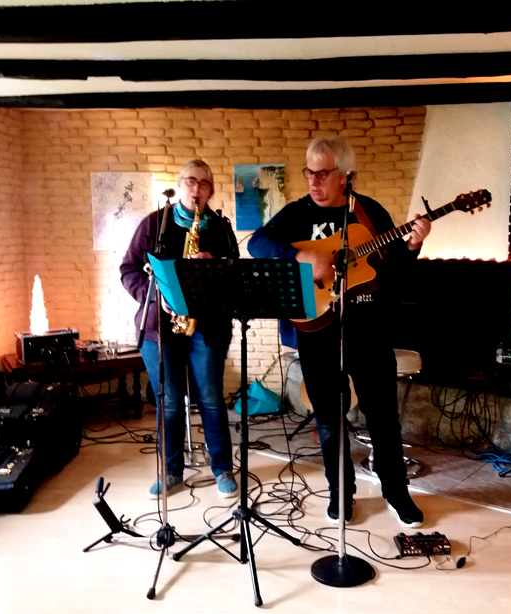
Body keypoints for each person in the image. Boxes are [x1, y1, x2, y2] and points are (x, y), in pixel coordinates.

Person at [247, 136, 431, 527]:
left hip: (368, 329)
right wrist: (300, 255)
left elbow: (393, 270)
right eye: (309, 173)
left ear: (346, 176)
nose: (313, 182)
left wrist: (412, 245)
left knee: (383, 418)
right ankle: (340, 492)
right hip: (317, 333)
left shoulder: (369, 212)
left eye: (323, 173)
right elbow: (257, 243)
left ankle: (396, 492)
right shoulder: (296, 213)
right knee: (329, 421)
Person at [120, 159, 239, 499]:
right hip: (160, 327)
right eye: (190, 181)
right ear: (180, 184)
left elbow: (235, 276)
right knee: (169, 402)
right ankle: (171, 471)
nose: (196, 189)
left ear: (210, 190)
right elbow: (128, 269)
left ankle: (222, 469)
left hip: (208, 326)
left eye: (204, 183)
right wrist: (154, 294)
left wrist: (215, 267)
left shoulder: (220, 228)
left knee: (212, 399)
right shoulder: (154, 224)